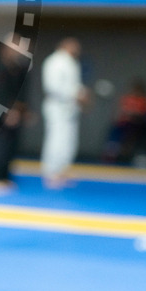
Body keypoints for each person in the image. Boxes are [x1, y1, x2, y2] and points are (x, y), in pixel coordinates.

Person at [0, 36, 32, 196]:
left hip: (14, 114)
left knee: (11, 146)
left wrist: (22, 111)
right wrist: (7, 111)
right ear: (6, 49)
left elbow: (20, 93)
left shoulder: (18, 68)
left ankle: (4, 176)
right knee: (0, 145)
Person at [40, 38, 90, 189]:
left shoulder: (71, 62)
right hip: (57, 107)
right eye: (74, 46)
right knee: (56, 140)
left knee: (68, 141)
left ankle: (62, 170)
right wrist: (75, 94)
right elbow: (52, 87)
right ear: (64, 46)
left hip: (70, 108)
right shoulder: (54, 61)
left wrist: (82, 94)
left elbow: (74, 84)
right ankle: (51, 172)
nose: (77, 49)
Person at [101, 77, 146, 165]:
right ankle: (111, 151)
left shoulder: (144, 100)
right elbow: (118, 113)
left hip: (136, 125)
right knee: (114, 130)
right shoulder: (126, 98)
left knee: (131, 131)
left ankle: (126, 154)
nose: (135, 91)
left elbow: (145, 115)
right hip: (122, 124)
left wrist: (133, 114)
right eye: (134, 88)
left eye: (138, 89)